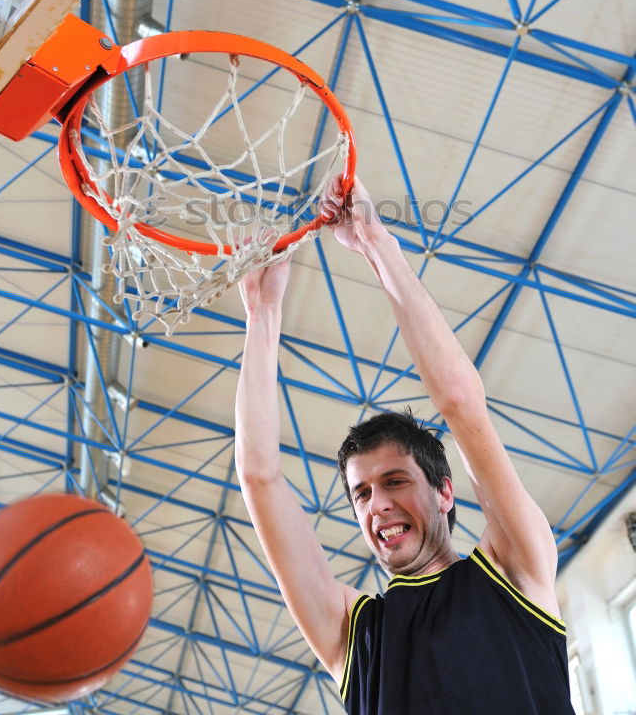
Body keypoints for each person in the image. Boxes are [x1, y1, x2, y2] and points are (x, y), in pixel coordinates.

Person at [234, 175, 575, 714]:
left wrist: (375, 242)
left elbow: (461, 400)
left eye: (394, 481)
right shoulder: (353, 635)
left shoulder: (516, 570)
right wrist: (262, 314)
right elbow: (258, 479)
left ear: (445, 492)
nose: (378, 504)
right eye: (361, 493)